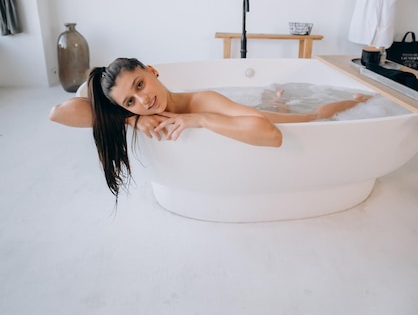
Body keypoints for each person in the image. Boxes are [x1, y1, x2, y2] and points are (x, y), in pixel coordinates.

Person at [49, 57, 371, 198]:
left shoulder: (201, 101)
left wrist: (198, 120)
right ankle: (276, 98)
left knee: (314, 116)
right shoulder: (138, 115)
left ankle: (356, 99)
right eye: (130, 101)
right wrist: (131, 119)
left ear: (152, 70)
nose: (144, 100)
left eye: (140, 84)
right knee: (271, 106)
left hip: (248, 115)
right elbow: (58, 113)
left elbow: (272, 136)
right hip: (237, 113)